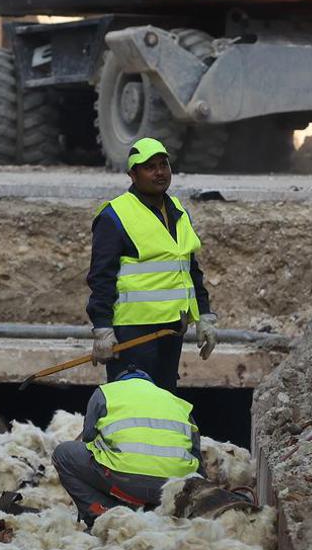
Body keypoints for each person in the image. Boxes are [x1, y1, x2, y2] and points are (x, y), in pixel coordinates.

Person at [87, 137, 219, 390]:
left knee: (164, 401)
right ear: (132, 175)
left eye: (163, 164)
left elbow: (190, 268)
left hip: (171, 329)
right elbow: (101, 278)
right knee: (133, 404)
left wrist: (204, 317)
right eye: (150, 167)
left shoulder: (178, 210)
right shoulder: (115, 216)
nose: (160, 172)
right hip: (133, 334)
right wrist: (102, 329)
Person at [52, 367, 201, 527]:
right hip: (172, 489)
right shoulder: (176, 402)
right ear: (150, 384)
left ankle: (104, 515)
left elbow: (88, 438)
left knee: (63, 455)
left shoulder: (106, 393)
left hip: (124, 481)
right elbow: (196, 454)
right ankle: (162, 515)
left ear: (120, 382)